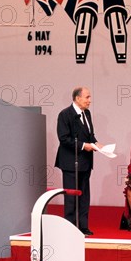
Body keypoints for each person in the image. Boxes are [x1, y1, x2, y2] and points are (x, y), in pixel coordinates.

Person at [55, 87, 101, 236]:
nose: (90, 100)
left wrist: (96, 143)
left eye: (90, 97)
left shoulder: (86, 113)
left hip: (85, 162)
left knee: (84, 195)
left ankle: (83, 226)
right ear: (77, 98)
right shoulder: (65, 114)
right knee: (71, 196)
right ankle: (69, 227)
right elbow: (64, 138)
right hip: (70, 162)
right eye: (87, 97)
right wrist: (83, 146)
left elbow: (89, 135)